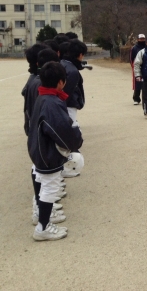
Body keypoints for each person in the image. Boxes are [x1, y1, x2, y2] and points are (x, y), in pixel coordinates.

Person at [28, 61, 83, 240]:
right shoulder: (52, 102)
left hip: (38, 148)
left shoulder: (43, 97)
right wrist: (76, 141)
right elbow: (62, 131)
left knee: (41, 179)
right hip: (47, 152)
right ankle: (42, 227)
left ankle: (40, 215)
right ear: (61, 82)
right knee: (50, 186)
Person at [60, 39, 87, 123]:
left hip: (63, 105)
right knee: (71, 128)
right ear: (80, 55)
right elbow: (67, 92)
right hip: (69, 105)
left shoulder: (62, 62)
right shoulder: (72, 71)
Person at [130, 34, 146, 105]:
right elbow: (131, 58)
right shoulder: (134, 48)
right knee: (137, 83)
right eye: (140, 39)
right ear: (138, 39)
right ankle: (136, 98)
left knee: (146, 83)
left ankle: (146, 98)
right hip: (137, 67)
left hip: (146, 67)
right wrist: (133, 66)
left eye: (143, 39)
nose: (142, 40)